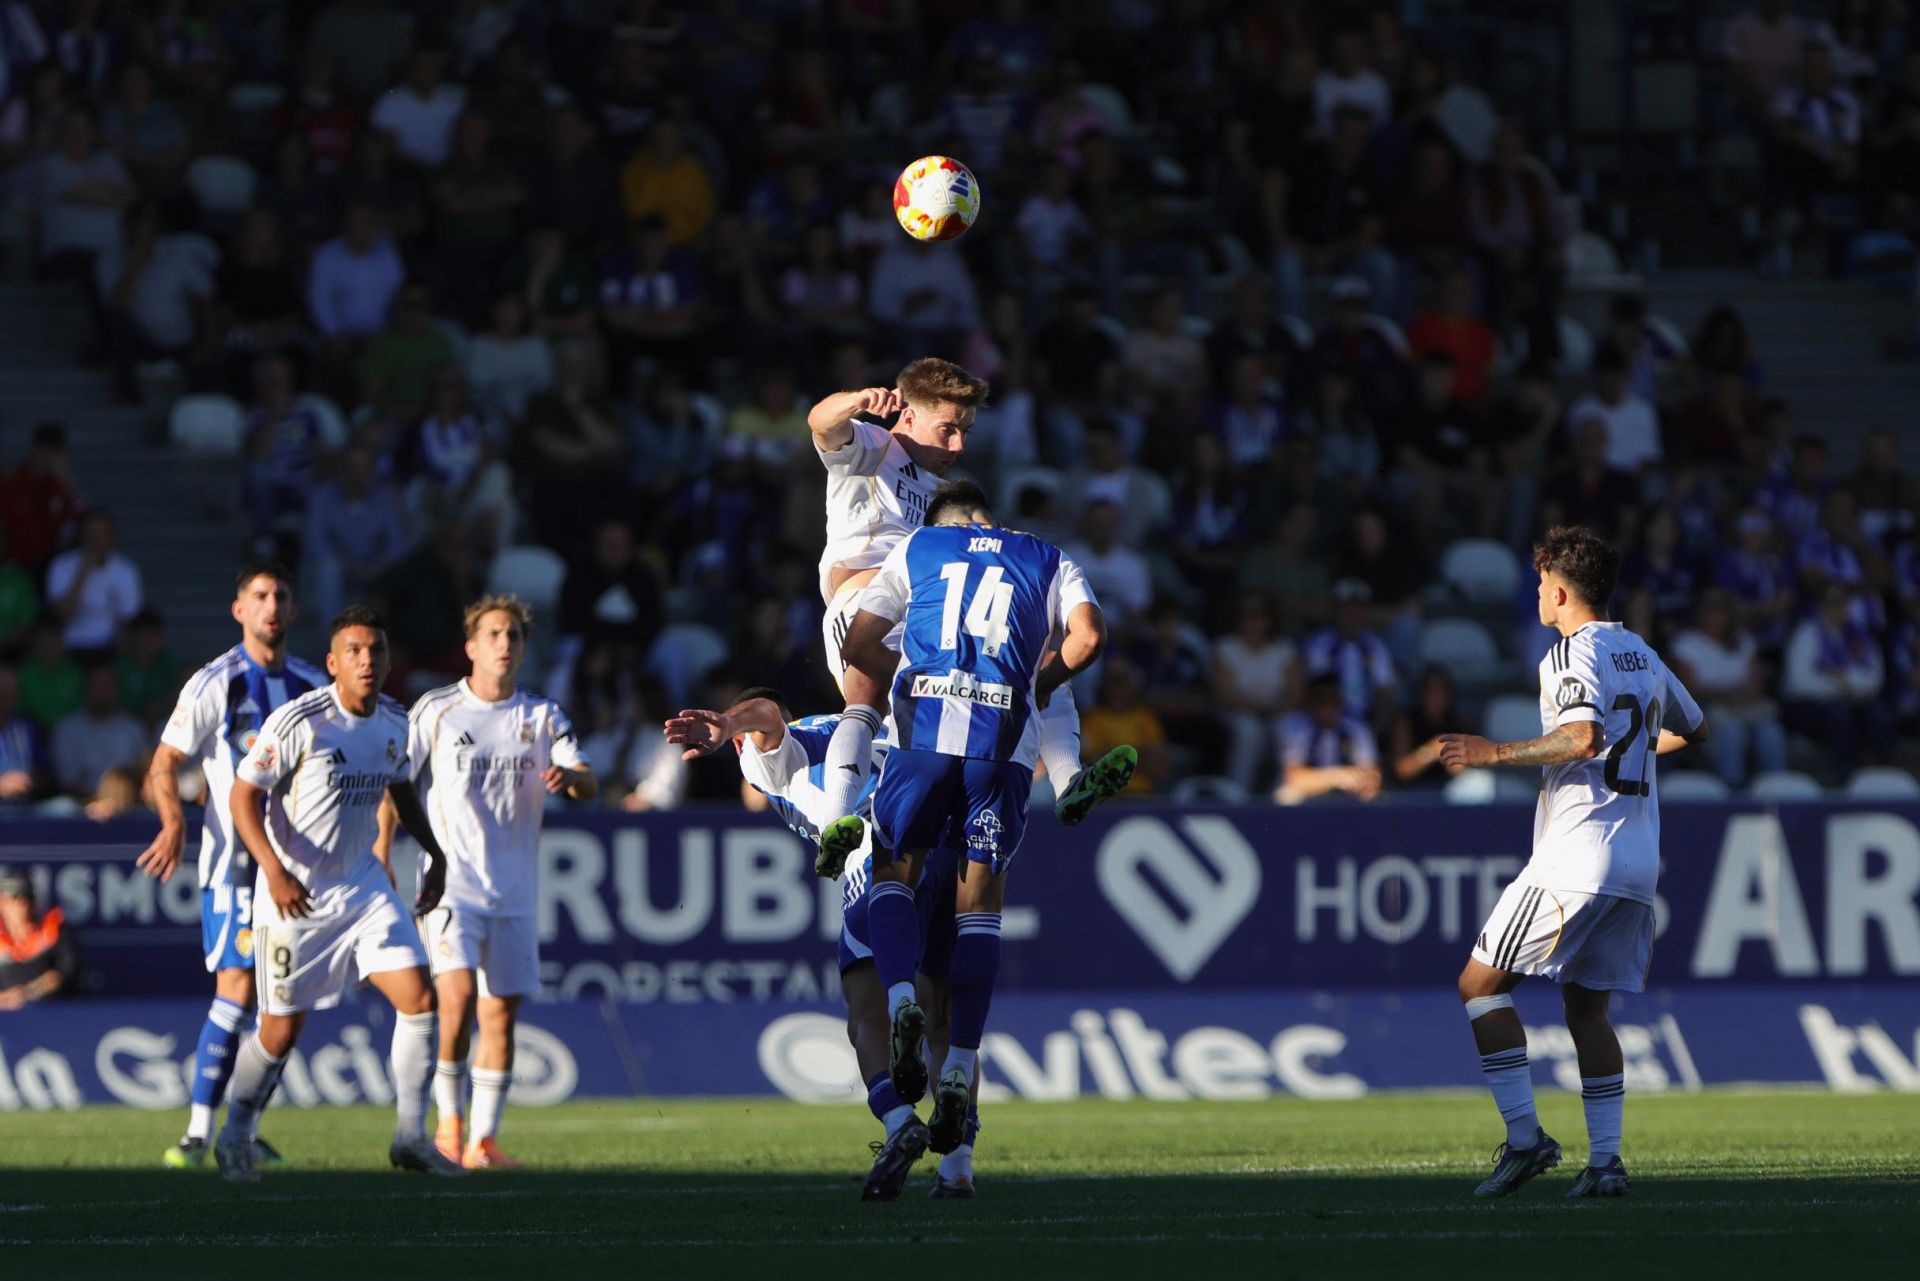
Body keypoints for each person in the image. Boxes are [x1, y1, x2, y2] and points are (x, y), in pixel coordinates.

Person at [833, 479, 1108, 1159]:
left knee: (894, 868)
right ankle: (959, 1063)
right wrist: (1036, 687)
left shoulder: (921, 545)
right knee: (979, 904)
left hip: (924, 732)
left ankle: (902, 999)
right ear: (989, 517)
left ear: (944, 520)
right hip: (1003, 745)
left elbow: (860, 644)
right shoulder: (1046, 556)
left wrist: (914, 676)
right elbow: (1090, 635)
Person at [1437, 525, 1707, 1200]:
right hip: (1638, 865)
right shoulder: (1640, 652)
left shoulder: (1566, 654)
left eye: (1539, 581)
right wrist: (1638, 750)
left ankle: (1526, 1139)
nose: (1537, 591)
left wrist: (1493, 753)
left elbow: (1582, 735)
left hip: (1575, 858)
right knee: (1587, 1013)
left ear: (1559, 589)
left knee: (1479, 985)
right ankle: (1606, 1163)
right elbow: (1696, 726)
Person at [802, 360, 1134, 859]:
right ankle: (835, 821)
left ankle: (1069, 779)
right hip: (867, 600)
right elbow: (820, 423)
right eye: (948, 430)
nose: (958, 446)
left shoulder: (944, 494)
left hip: (934, 614)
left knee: (1029, 653)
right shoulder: (870, 448)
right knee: (865, 697)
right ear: (908, 415)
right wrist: (858, 401)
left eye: (965, 432)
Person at [662, 688, 978, 1200]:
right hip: (945, 844)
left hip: (880, 863)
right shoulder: (864, 719)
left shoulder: (777, 754)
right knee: (944, 1012)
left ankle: (900, 1120)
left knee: (865, 1013)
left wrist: (731, 721)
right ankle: (958, 1166)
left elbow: (765, 711)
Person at [215, 606, 462, 1182]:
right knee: (280, 1031)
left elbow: (400, 793)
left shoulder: (396, 723)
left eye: (375, 650)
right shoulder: (300, 720)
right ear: (333, 663)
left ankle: (409, 1138)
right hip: (294, 894)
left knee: (419, 1000)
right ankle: (234, 1135)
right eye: (353, 651)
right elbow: (242, 798)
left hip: (363, 886)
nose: (366, 660)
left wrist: (437, 856)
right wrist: (273, 871)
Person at [374, 596, 595, 1170]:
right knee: (456, 1001)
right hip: (449, 885)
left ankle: (484, 1141)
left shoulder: (542, 716)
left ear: (523, 649)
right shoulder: (438, 710)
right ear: (471, 647)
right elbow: (396, 782)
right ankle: (447, 1127)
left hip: (516, 889)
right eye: (493, 634)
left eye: (513, 636)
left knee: (500, 1015)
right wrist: (380, 847)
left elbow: (588, 781)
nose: (504, 644)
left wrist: (569, 778)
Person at [134, 562, 326, 1170]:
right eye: (259, 596)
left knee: (282, 1002)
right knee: (238, 989)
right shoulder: (217, 682)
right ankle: (196, 1132)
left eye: (281, 596)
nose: (271, 606)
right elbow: (164, 764)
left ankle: (242, 1129)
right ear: (238, 610)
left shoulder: (312, 686)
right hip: (234, 865)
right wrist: (172, 820)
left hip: (297, 868)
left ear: (293, 611)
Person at [45, 508, 142, 659]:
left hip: (109, 648)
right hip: (69, 645)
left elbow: (129, 619)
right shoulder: (61, 566)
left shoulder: (126, 571)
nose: (95, 539)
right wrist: (84, 571)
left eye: (100, 533)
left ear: (112, 537)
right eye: (90, 533)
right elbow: (63, 614)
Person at [1274, 673, 1383, 805]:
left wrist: (1362, 781)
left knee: (1372, 795)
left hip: (1347, 793)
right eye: (1321, 701)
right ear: (1310, 702)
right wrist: (1335, 777)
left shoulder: (1356, 729)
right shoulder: (1295, 727)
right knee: (1287, 795)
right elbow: (1294, 777)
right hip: (1309, 793)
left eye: (1331, 700)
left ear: (1339, 701)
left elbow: (1371, 772)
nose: (1327, 707)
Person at [50, 663, 144, 797]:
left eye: (106, 684)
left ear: (116, 688)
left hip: (126, 807)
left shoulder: (133, 729)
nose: (102, 691)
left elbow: (141, 775)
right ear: (85, 688)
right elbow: (67, 782)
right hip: (79, 810)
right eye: (96, 685)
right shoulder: (67, 729)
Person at [0, 868, 85, 1007]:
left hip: (52, 1015)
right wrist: (4, 1000)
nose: (22, 905)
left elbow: (67, 973)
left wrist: (27, 993)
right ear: (2, 903)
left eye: (28, 897)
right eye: (15, 898)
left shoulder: (54, 931)